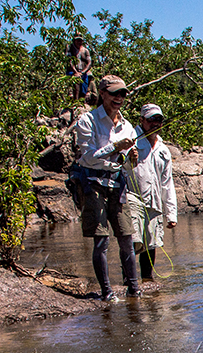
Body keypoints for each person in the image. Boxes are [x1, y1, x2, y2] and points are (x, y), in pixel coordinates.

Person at [74, 74, 140, 301]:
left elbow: (130, 168)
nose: (119, 98)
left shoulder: (128, 126)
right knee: (101, 240)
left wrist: (132, 157)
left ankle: (134, 290)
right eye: (114, 93)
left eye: (123, 94)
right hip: (93, 184)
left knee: (127, 238)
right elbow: (88, 157)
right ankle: (107, 292)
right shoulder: (87, 121)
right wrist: (115, 146)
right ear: (102, 94)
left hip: (118, 185)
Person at [125, 103, 177, 281]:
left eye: (159, 120)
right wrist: (127, 157)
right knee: (133, 241)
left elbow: (167, 183)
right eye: (151, 120)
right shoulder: (130, 140)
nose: (155, 123)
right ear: (142, 120)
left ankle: (147, 279)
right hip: (132, 198)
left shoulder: (164, 150)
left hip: (154, 202)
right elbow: (118, 166)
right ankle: (129, 281)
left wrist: (171, 214)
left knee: (151, 244)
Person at [66, 35, 92, 101]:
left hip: (83, 72)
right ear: (74, 40)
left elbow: (89, 63)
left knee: (84, 88)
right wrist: (76, 72)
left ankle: (83, 101)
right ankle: (75, 101)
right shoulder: (70, 48)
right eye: (77, 40)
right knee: (76, 82)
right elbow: (69, 61)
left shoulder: (85, 50)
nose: (79, 42)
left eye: (80, 40)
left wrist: (82, 72)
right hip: (72, 72)